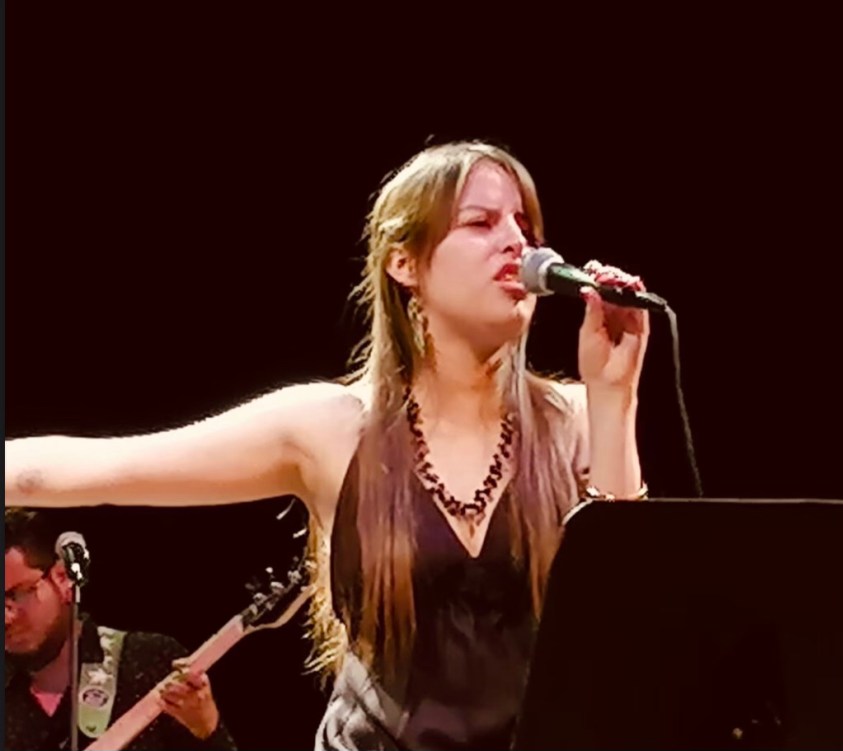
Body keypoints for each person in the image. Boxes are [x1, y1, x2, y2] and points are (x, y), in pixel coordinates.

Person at [5, 140, 652, 749]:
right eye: (481, 222)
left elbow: (624, 624)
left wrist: (615, 399)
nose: (516, 243)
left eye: (525, 226)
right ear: (404, 263)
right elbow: (91, 468)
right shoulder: (332, 429)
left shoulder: (572, 417)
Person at [5, 507, 236, 750]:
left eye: (16, 594)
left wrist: (206, 729)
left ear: (63, 578)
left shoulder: (148, 661)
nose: (6, 618)